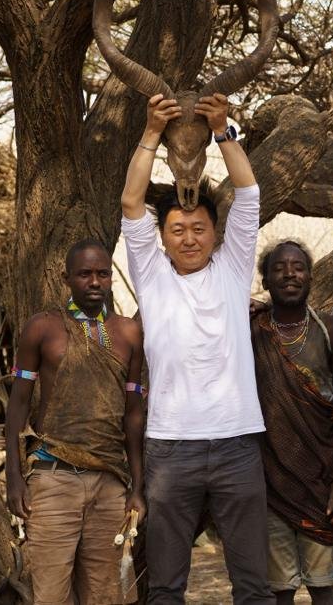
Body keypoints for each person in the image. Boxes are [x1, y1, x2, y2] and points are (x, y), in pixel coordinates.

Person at [121, 92, 273, 604]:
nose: (189, 238)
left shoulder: (232, 269)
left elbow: (248, 194)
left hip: (237, 445)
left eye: (199, 229)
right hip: (170, 449)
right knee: (166, 586)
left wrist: (223, 130)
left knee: (252, 585)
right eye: (178, 230)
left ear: (215, 233)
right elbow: (131, 204)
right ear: (163, 238)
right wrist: (150, 132)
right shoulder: (153, 276)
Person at [5, 239, 146, 605]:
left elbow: (133, 414)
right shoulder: (43, 327)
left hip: (110, 482)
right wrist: (14, 477)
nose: (95, 282)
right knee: (50, 594)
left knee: (107, 593)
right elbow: (18, 404)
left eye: (103, 274)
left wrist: (137, 486)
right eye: (84, 274)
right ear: (65, 278)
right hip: (53, 477)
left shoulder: (129, 332)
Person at [252, 241, 333, 605]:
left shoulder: (331, 329)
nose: (289, 274)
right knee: (280, 590)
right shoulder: (251, 329)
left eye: (298, 267)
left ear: (310, 276)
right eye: (279, 268)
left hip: (321, 479)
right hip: (269, 480)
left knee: (322, 585)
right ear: (265, 280)